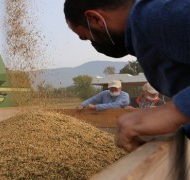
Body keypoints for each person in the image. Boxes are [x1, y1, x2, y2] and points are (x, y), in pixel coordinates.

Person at [63, 0, 190, 153]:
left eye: (87, 37)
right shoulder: (142, 33)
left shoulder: (156, 16)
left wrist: (174, 111)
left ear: (95, 19)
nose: (93, 43)